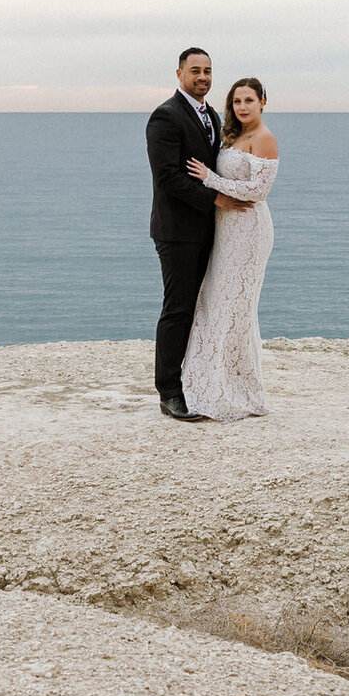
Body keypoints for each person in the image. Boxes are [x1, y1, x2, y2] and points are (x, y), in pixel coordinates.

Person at [145, 48, 241, 421]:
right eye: (195, 70)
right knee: (179, 307)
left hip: (208, 228)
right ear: (179, 74)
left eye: (208, 71)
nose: (203, 77)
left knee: (204, 308)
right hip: (177, 231)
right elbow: (167, 178)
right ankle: (169, 391)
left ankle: (198, 380)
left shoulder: (211, 115)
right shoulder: (165, 117)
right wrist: (216, 198)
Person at [178, 77, 280, 419]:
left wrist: (210, 179)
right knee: (214, 300)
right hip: (225, 229)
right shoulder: (233, 136)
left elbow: (257, 191)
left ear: (263, 101)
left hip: (249, 231)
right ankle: (208, 384)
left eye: (249, 100)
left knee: (235, 307)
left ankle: (238, 391)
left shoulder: (265, 139)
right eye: (237, 101)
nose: (243, 107)